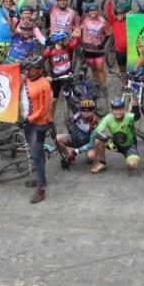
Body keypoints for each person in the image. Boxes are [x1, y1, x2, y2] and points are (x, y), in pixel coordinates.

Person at [20, 54, 53, 202]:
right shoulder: (26, 79)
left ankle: (40, 189)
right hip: (27, 124)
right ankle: (42, 178)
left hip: (39, 126)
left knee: (37, 156)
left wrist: (28, 119)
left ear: (39, 70)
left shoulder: (44, 84)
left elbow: (43, 110)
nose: (28, 71)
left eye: (31, 69)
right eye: (27, 69)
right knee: (35, 153)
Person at [81, 97, 143, 174]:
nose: (118, 112)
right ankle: (102, 162)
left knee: (132, 165)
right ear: (112, 110)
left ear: (124, 109)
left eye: (120, 109)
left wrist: (136, 109)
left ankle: (129, 157)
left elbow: (136, 116)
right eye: (115, 110)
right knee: (98, 140)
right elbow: (96, 132)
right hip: (114, 144)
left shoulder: (128, 116)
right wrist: (106, 139)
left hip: (129, 146)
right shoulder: (108, 118)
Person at [43, 28, 81, 121]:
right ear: (59, 41)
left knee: (68, 94)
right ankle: (50, 119)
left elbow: (76, 43)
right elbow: (40, 63)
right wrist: (45, 75)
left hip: (67, 75)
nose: (68, 40)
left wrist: (78, 37)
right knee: (53, 100)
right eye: (66, 39)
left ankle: (77, 113)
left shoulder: (68, 46)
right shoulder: (49, 51)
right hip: (55, 77)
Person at [56, 98, 100, 166]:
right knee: (57, 138)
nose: (85, 112)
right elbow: (71, 102)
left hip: (86, 143)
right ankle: (67, 157)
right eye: (83, 110)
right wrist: (66, 93)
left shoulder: (94, 124)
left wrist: (75, 151)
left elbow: (91, 143)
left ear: (93, 111)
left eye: (88, 111)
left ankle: (92, 154)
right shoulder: (77, 114)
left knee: (91, 157)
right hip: (74, 139)